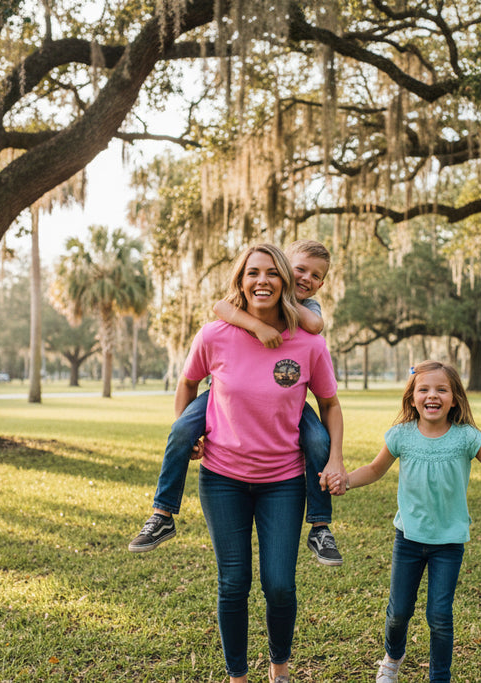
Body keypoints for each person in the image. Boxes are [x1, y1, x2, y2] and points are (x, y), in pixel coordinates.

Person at [170, 243, 344, 683]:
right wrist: (187, 434)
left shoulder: (309, 341)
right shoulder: (214, 333)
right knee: (233, 584)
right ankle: (237, 677)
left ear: (286, 281)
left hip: (283, 482)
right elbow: (188, 383)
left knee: (280, 585)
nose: (262, 281)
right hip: (222, 479)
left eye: (272, 273)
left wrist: (336, 456)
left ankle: (279, 671)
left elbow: (330, 403)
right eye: (252, 273)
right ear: (241, 281)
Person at [331, 360, 481, 682]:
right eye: (424, 389)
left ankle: (439, 677)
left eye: (442, 389)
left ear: (455, 399)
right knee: (399, 613)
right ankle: (392, 660)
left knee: (439, 615)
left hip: (449, 543)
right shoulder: (401, 436)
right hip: (409, 539)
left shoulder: (467, 438)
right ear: (412, 397)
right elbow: (373, 470)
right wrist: (344, 481)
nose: (432, 395)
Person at [129, 239, 345, 566]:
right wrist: (257, 324)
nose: (305, 279)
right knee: (181, 431)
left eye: (315, 276)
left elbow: (314, 327)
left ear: (321, 284)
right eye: (299, 269)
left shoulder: (309, 316)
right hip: (219, 398)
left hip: (290, 408)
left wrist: (284, 298)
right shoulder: (225, 323)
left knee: (317, 439)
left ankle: (320, 525)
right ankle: (163, 513)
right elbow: (221, 306)